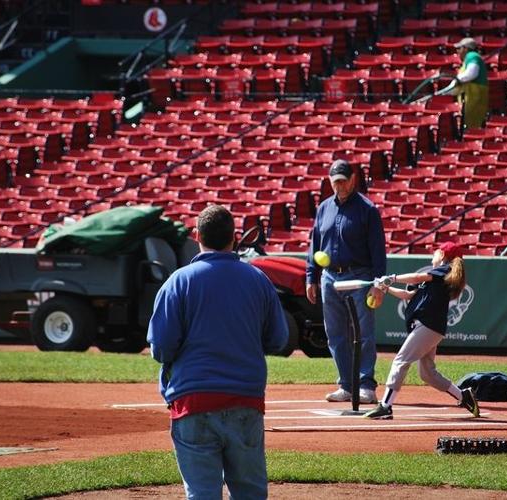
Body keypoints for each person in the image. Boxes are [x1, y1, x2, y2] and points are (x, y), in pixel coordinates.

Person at [147, 204, 289, 499]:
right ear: (234, 237)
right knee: (250, 493)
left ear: (196, 235)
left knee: (202, 493)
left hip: (192, 400)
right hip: (245, 400)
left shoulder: (178, 281)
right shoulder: (258, 280)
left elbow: (161, 348)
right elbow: (278, 339)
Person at [363, 241, 480, 420]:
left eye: (436, 252)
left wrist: (392, 277)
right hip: (427, 327)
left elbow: (418, 277)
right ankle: (463, 396)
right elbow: (407, 295)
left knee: (401, 360)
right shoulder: (432, 279)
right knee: (427, 374)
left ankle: (385, 406)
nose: (432, 255)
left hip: (429, 325)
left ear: (442, 255)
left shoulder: (445, 270)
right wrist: (385, 286)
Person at [306, 159, 387, 404]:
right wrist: (312, 276)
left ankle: (365, 385)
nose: (339, 186)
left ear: (353, 179)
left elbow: (378, 251)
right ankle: (346, 384)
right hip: (330, 277)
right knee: (335, 334)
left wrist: (379, 283)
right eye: (335, 182)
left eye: (343, 181)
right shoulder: (323, 208)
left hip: (360, 276)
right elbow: (314, 245)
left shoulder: (367, 209)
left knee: (363, 332)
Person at [450, 37, 489, 129]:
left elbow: (472, 73)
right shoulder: (469, 59)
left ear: (466, 48)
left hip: (475, 94)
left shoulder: (472, 56)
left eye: (459, 48)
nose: (457, 51)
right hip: (472, 94)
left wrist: (457, 80)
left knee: (473, 125)